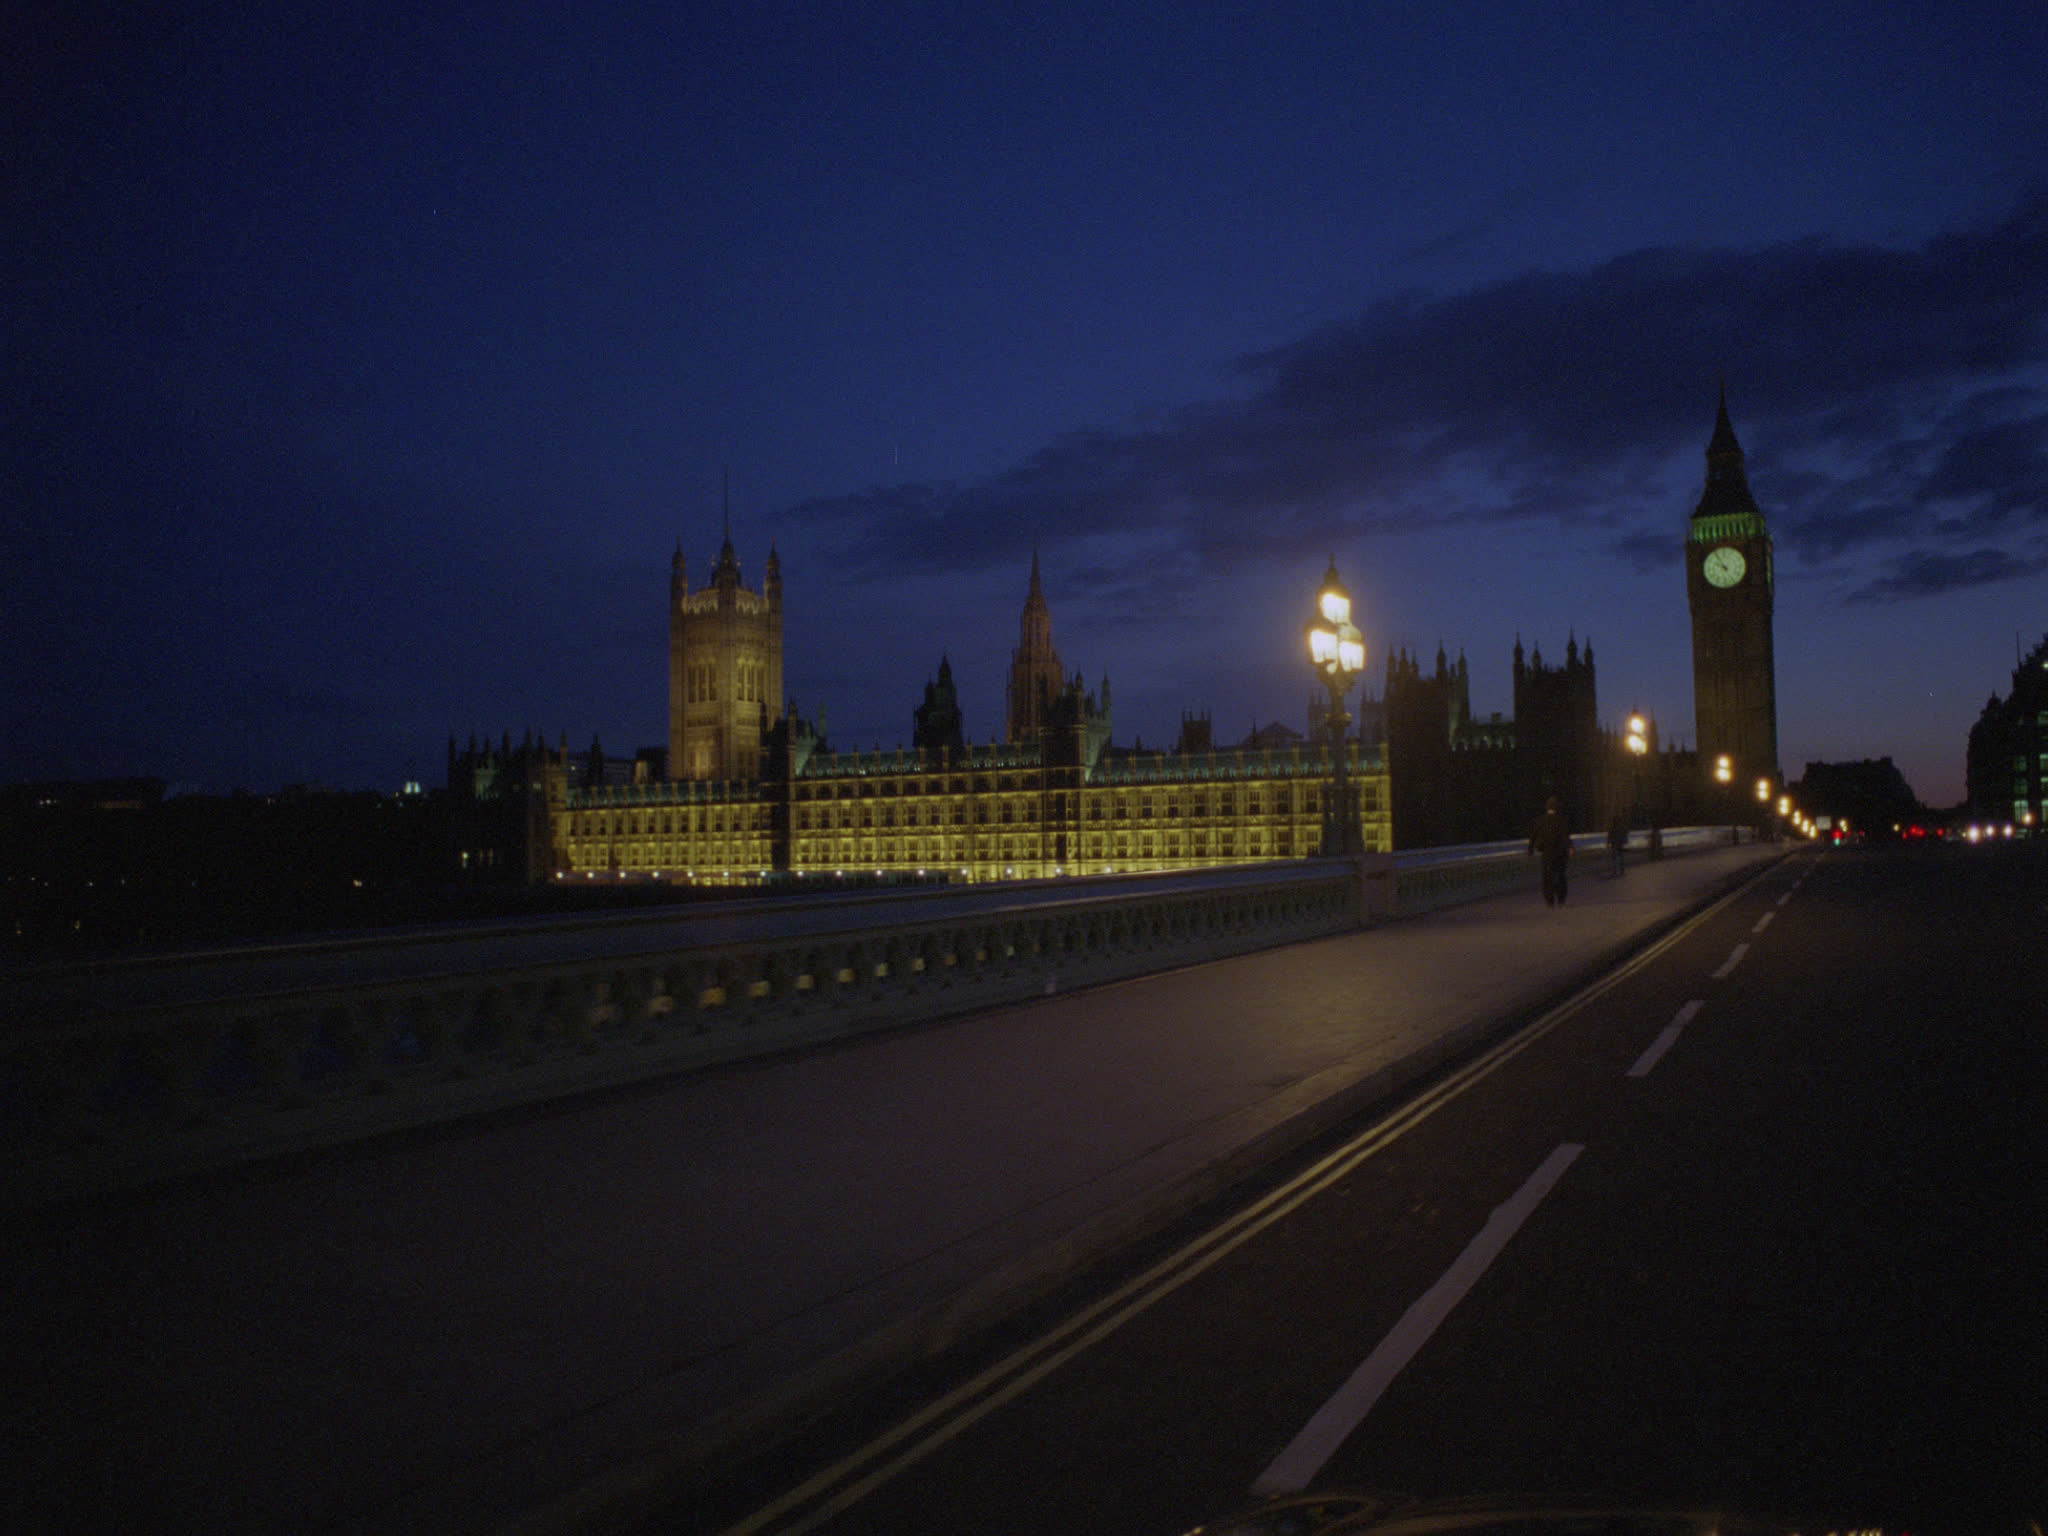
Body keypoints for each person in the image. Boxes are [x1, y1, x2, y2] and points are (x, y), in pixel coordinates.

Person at [1529, 795, 1571, 906]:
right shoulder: (1561, 820)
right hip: (1560, 853)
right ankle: (1561, 898)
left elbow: (1533, 836)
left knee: (1547, 877)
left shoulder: (1541, 820)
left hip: (1547, 854)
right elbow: (1565, 836)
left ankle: (1549, 899)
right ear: (1557, 807)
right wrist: (1570, 848)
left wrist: (1530, 849)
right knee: (1560, 875)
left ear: (1547, 807)